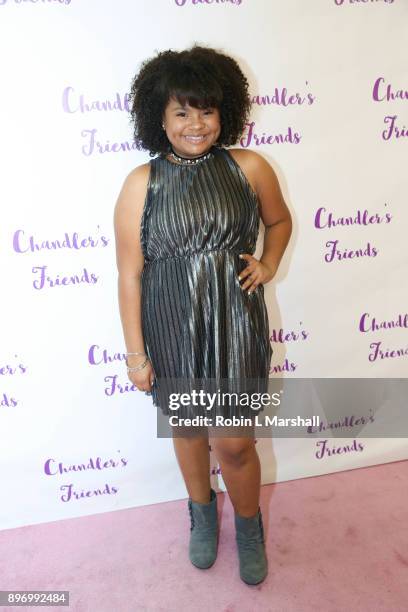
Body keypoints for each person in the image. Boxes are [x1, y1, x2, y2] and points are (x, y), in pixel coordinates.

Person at [113, 44, 292, 585]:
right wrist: (137, 354)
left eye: (206, 110)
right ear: (158, 118)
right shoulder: (140, 183)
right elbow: (129, 275)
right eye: (182, 111)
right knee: (189, 429)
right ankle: (201, 514)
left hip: (235, 322)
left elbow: (279, 223)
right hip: (170, 324)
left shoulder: (250, 166)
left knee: (234, 441)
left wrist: (268, 263)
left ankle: (249, 525)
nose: (196, 124)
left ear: (225, 111)